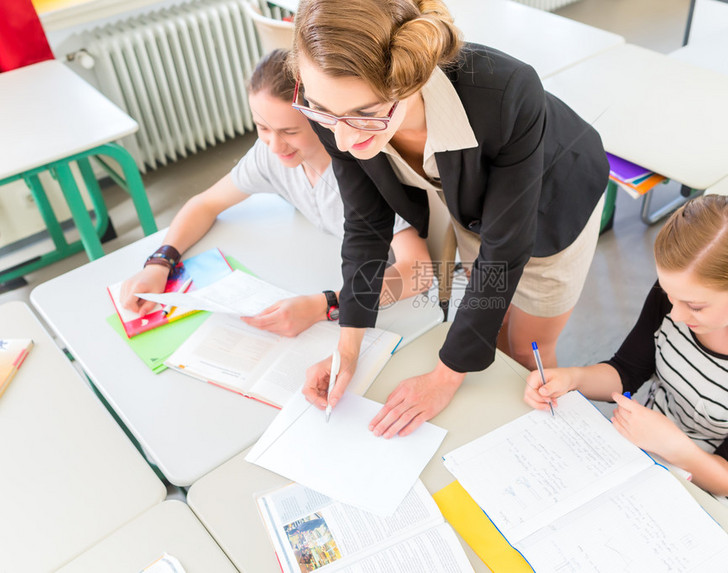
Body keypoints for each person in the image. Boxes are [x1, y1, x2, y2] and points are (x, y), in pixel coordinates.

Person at [293, 0, 609, 438]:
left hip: (554, 198)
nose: (343, 140)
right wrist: (347, 347)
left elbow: (505, 250)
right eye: (322, 111)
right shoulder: (332, 101)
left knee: (523, 348)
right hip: (474, 202)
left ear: (410, 80)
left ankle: (533, 443)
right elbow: (366, 224)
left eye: (365, 115)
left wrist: (444, 377)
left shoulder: (507, 91)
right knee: (489, 324)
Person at [524, 194, 728, 526]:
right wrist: (572, 379)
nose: (676, 314)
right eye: (670, 296)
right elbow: (626, 370)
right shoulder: (682, 291)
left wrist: (671, 444)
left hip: (721, 484)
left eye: (695, 306)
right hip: (650, 445)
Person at [121, 49, 432, 336]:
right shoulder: (271, 155)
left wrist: (327, 303)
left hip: (399, 307)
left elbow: (419, 271)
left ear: (323, 118)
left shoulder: (366, 169)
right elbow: (205, 204)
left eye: (290, 132)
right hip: (327, 270)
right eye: (262, 127)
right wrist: (160, 263)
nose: (274, 144)